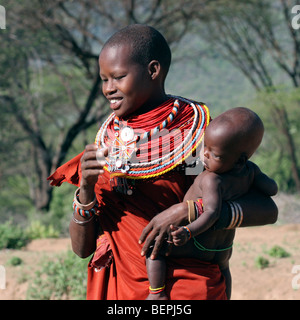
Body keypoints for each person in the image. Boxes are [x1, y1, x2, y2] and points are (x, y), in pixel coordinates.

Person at [48, 24, 278, 300]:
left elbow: (267, 209)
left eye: (118, 77)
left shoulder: (192, 136)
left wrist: (185, 212)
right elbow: (82, 249)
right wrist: (85, 189)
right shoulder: (108, 143)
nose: (108, 89)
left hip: (180, 286)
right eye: (104, 79)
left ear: (153, 71)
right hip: (119, 287)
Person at [145, 107, 278, 300]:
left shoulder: (211, 180)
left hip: (195, 242)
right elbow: (271, 189)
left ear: (240, 160)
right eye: (204, 147)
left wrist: (188, 231)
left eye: (214, 154)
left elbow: (212, 213)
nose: (204, 155)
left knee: (154, 247)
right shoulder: (250, 171)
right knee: (224, 270)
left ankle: (156, 293)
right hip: (222, 248)